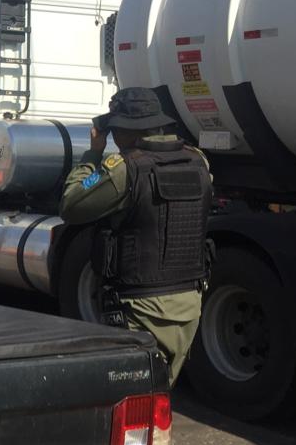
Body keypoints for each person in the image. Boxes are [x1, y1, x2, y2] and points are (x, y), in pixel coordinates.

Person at [60, 86, 214, 386]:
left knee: (134, 402)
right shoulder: (198, 161)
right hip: (189, 304)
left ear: (124, 131)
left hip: (141, 306)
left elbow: (71, 203)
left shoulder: (124, 169)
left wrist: (93, 153)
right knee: (161, 393)